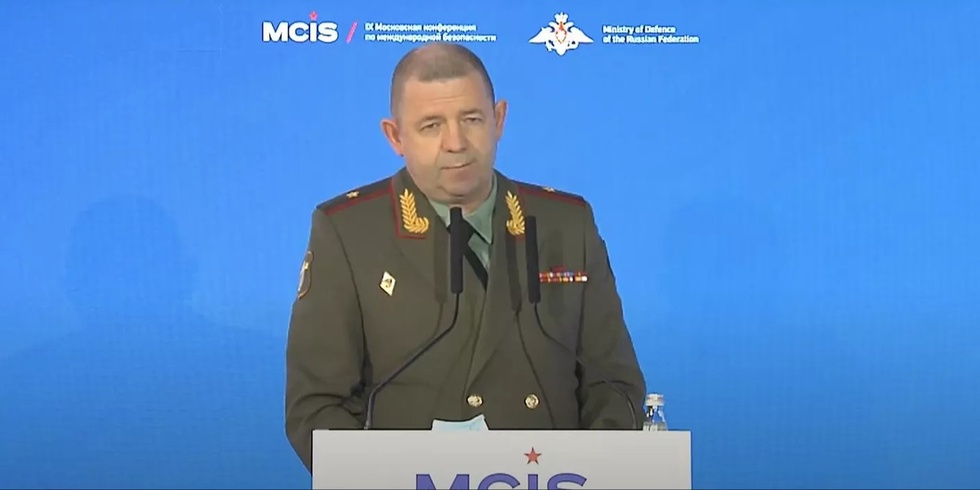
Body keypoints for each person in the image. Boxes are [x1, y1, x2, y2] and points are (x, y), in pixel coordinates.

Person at [284, 42, 646, 472]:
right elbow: (317, 410)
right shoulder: (348, 231)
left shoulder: (566, 223)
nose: (455, 143)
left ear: (499, 119)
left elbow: (615, 387)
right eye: (431, 126)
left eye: (472, 119)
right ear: (395, 136)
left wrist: (591, 474)